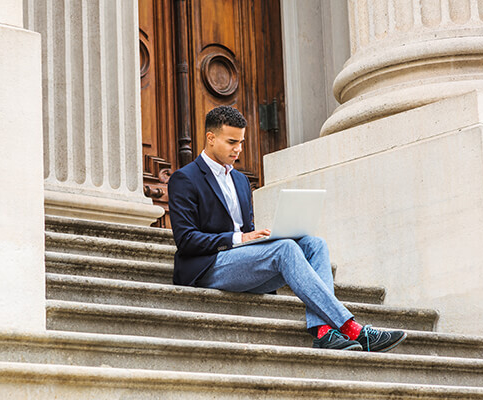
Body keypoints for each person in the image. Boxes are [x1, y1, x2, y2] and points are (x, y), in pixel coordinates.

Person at [168, 105, 407, 352]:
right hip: (208, 267)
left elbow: (247, 231)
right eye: (231, 142)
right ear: (210, 138)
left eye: (241, 142)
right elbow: (186, 240)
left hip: (241, 265)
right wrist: (240, 238)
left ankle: (324, 332)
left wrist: (258, 239)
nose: (238, 149)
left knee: (314, 244)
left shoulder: (240, 180)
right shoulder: (185, 179)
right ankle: (352, 328)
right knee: (284, 249)